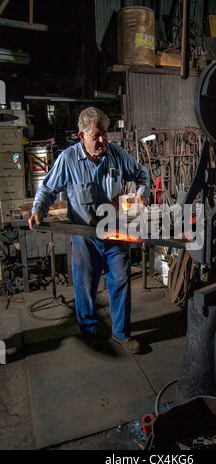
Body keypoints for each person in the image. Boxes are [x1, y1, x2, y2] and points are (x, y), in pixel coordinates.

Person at [28, 107, 150, 353]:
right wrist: (39, 210)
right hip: (85, 237)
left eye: (104, 133)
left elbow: (142, 175)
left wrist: (140, 194)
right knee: (85, 285)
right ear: (81, 136)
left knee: (121, 281)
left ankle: (121, 334)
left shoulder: (116, 155)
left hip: (115, 234)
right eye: (96, 135)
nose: (102, 140)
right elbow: (48, 189)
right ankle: (90, 333)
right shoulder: (68, 159)